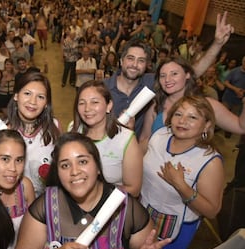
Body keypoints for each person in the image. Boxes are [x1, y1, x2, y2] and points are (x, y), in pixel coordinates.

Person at [15, 132, 170, 249]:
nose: (74, 171)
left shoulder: (127, 208)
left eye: (82, 161)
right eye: (65, 165)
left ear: (97, 167)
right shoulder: (46, 206)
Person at [104, 11, 234, 137]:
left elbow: (191, 72)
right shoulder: (102, 88)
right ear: (121, 61)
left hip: (135, 151)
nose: (134, 64)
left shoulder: (152, 82)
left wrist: (217, 44)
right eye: (130, 58)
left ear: (147, 64)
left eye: (141, 60)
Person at [140, 96, 224, 249]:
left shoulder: (210, 161)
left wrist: (181, 186)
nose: (182, 121)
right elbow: (137, 154)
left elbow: (212, 211)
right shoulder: (159, 135)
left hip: (174, 230)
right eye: (178, 114)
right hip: (142, 214)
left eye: (192, 117)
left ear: (207, 125)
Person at [139, 57, 245, 150]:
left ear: (187, 75)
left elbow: (241, 127)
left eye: (174, 74)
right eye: (162, 75)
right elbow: (144, 139)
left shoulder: (206, 105)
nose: (167, 79)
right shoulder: (156, 105)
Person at [70, 80, 142, 196]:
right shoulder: (73, 131)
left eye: (94, 102)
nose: (87, 109)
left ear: (109, 105)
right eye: (82, 103)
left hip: (112, 208)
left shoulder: (125, 139)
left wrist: (97, 195)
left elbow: (134, 189)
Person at [6, 71, 61, 196]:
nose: (33, 101)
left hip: (45, 201)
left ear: (46, 103)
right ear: (16, 95)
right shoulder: (4, 131)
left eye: (40, 97)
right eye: (27, 93)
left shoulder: (54, 126)